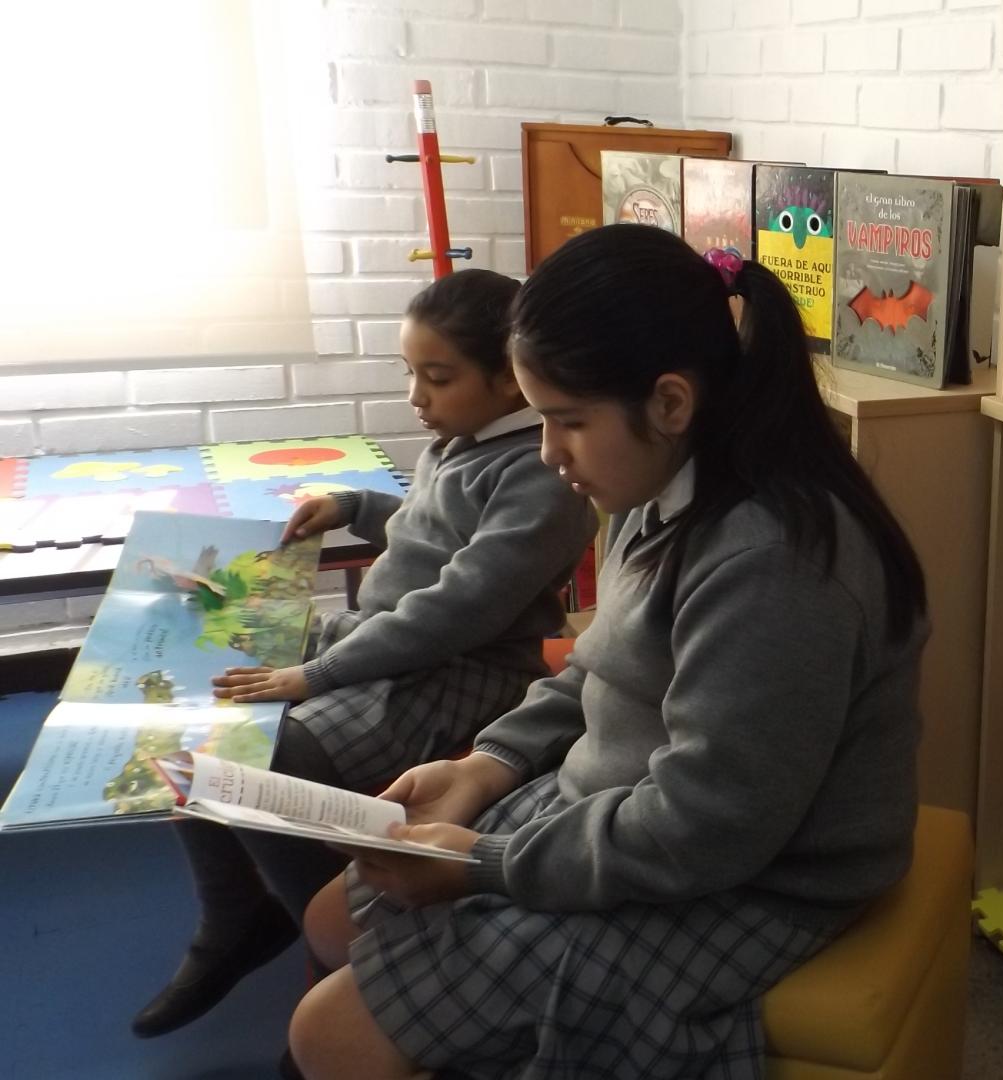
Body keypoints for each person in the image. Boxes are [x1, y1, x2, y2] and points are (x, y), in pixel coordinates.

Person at [288, 224, 930, 1080]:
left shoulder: (772, 565)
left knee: (326, 1037)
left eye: (566, 421)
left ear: (670, 402)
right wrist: (484, 768)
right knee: (335, 918)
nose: (549, 454)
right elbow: (599, 664)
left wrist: (487, 863)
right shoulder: (661, 482)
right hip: (624, 801)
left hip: (755, 879)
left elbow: (705, 830)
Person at [131, 268, 600, 1039]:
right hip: (384, 646)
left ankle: (349, 935)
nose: (417, 396)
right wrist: (354, 506)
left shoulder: (541, 477)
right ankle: (237, 917)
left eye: (438, 378)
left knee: (266, 754)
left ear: (513, 385)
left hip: (460, 670)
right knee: (190, 709)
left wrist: (310, 674)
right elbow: (427, 531)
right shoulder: (459, 443)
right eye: (410, 373)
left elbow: (457, 609)